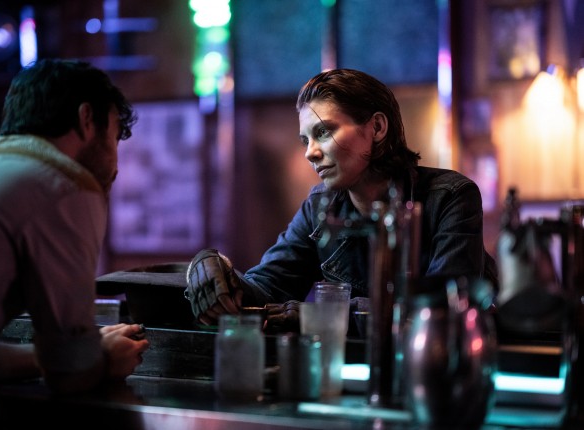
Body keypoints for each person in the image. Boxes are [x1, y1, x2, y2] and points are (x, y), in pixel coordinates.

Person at [185, 68, 498, 328]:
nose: (310, 152)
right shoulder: (319, 207)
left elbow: (443, 311)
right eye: (305, 140)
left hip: (438, 370)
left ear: (377, 127)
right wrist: (216, 270)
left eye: (323, 132)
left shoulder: (451, 197)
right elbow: (267, 288)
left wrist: (323, 317)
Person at [0, 59, 149, 399]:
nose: (116, 165)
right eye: (113, 136)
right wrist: (105, 358)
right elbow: (72, 375)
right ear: (86, 119)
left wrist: (50, 358)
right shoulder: (64, 183)